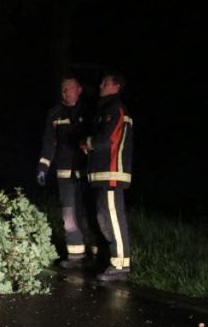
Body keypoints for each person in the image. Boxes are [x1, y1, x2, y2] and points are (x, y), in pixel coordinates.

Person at [82, 71, 134, 282]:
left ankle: (121, 265)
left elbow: (106, 140)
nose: (101, 85)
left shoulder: (116, 109)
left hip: (112, 173)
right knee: (104, 219)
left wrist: (87, 142)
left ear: (116, 87)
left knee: (113, 218)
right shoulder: (105, 109)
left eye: (105, 83)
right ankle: (112, 261)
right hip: (103, 175)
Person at [36, 74, 90, 266]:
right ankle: (76, 256)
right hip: (65, 172)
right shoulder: (55, 113)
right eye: (63, 88)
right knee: (69, 215)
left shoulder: (89, 111)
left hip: (87, 173)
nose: (66, 91)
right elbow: (49, 142)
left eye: (70, 87)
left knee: (91, 214)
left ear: (79, 90)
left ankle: (99, 256)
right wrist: (43, 166)